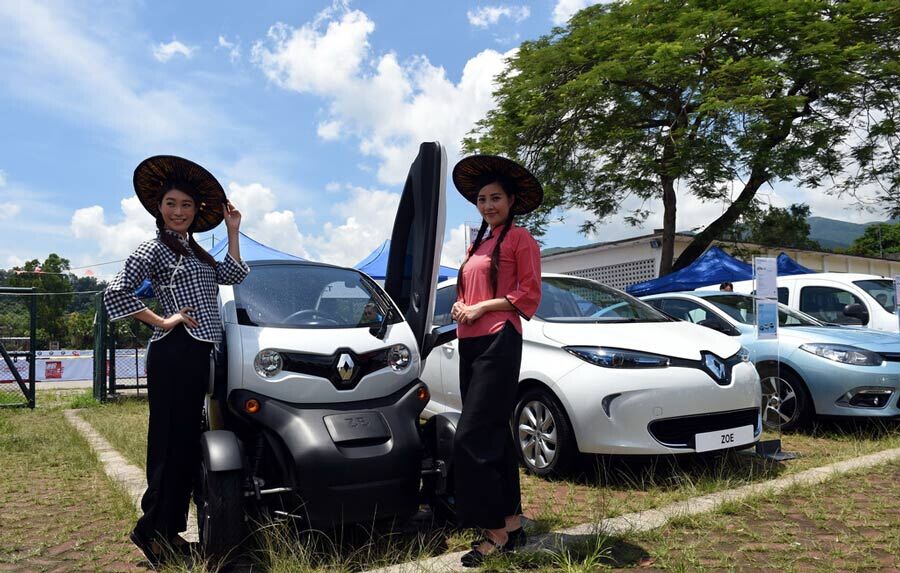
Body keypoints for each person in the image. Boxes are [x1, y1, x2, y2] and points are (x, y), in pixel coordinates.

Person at [104, 155, 249, 567]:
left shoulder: (195, 250)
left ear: (196, 211)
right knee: (169, 444)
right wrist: (163, 320)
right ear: (159, 207)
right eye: (171, 204)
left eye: (186, 205)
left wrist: (233, 230)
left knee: (185, 445)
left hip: (198, 353)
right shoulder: (152, 248)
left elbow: (234, 275)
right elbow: (115, 292)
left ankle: (167, 532)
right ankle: (150, 533)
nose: (179, 212)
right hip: (174, 351)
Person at [449, 154, 543, 567]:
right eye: (482, 199)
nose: (488, 205)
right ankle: (512, 522)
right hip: (469, 342)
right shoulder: (477, 244)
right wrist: (460, 306)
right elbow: (468, 292)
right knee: (496, 435)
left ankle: (494, 532)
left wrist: (482, 307)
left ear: (511, 201)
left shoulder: (521, 239)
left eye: (495, 198)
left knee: (470, 436)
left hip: (499, 340)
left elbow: (529, 293)